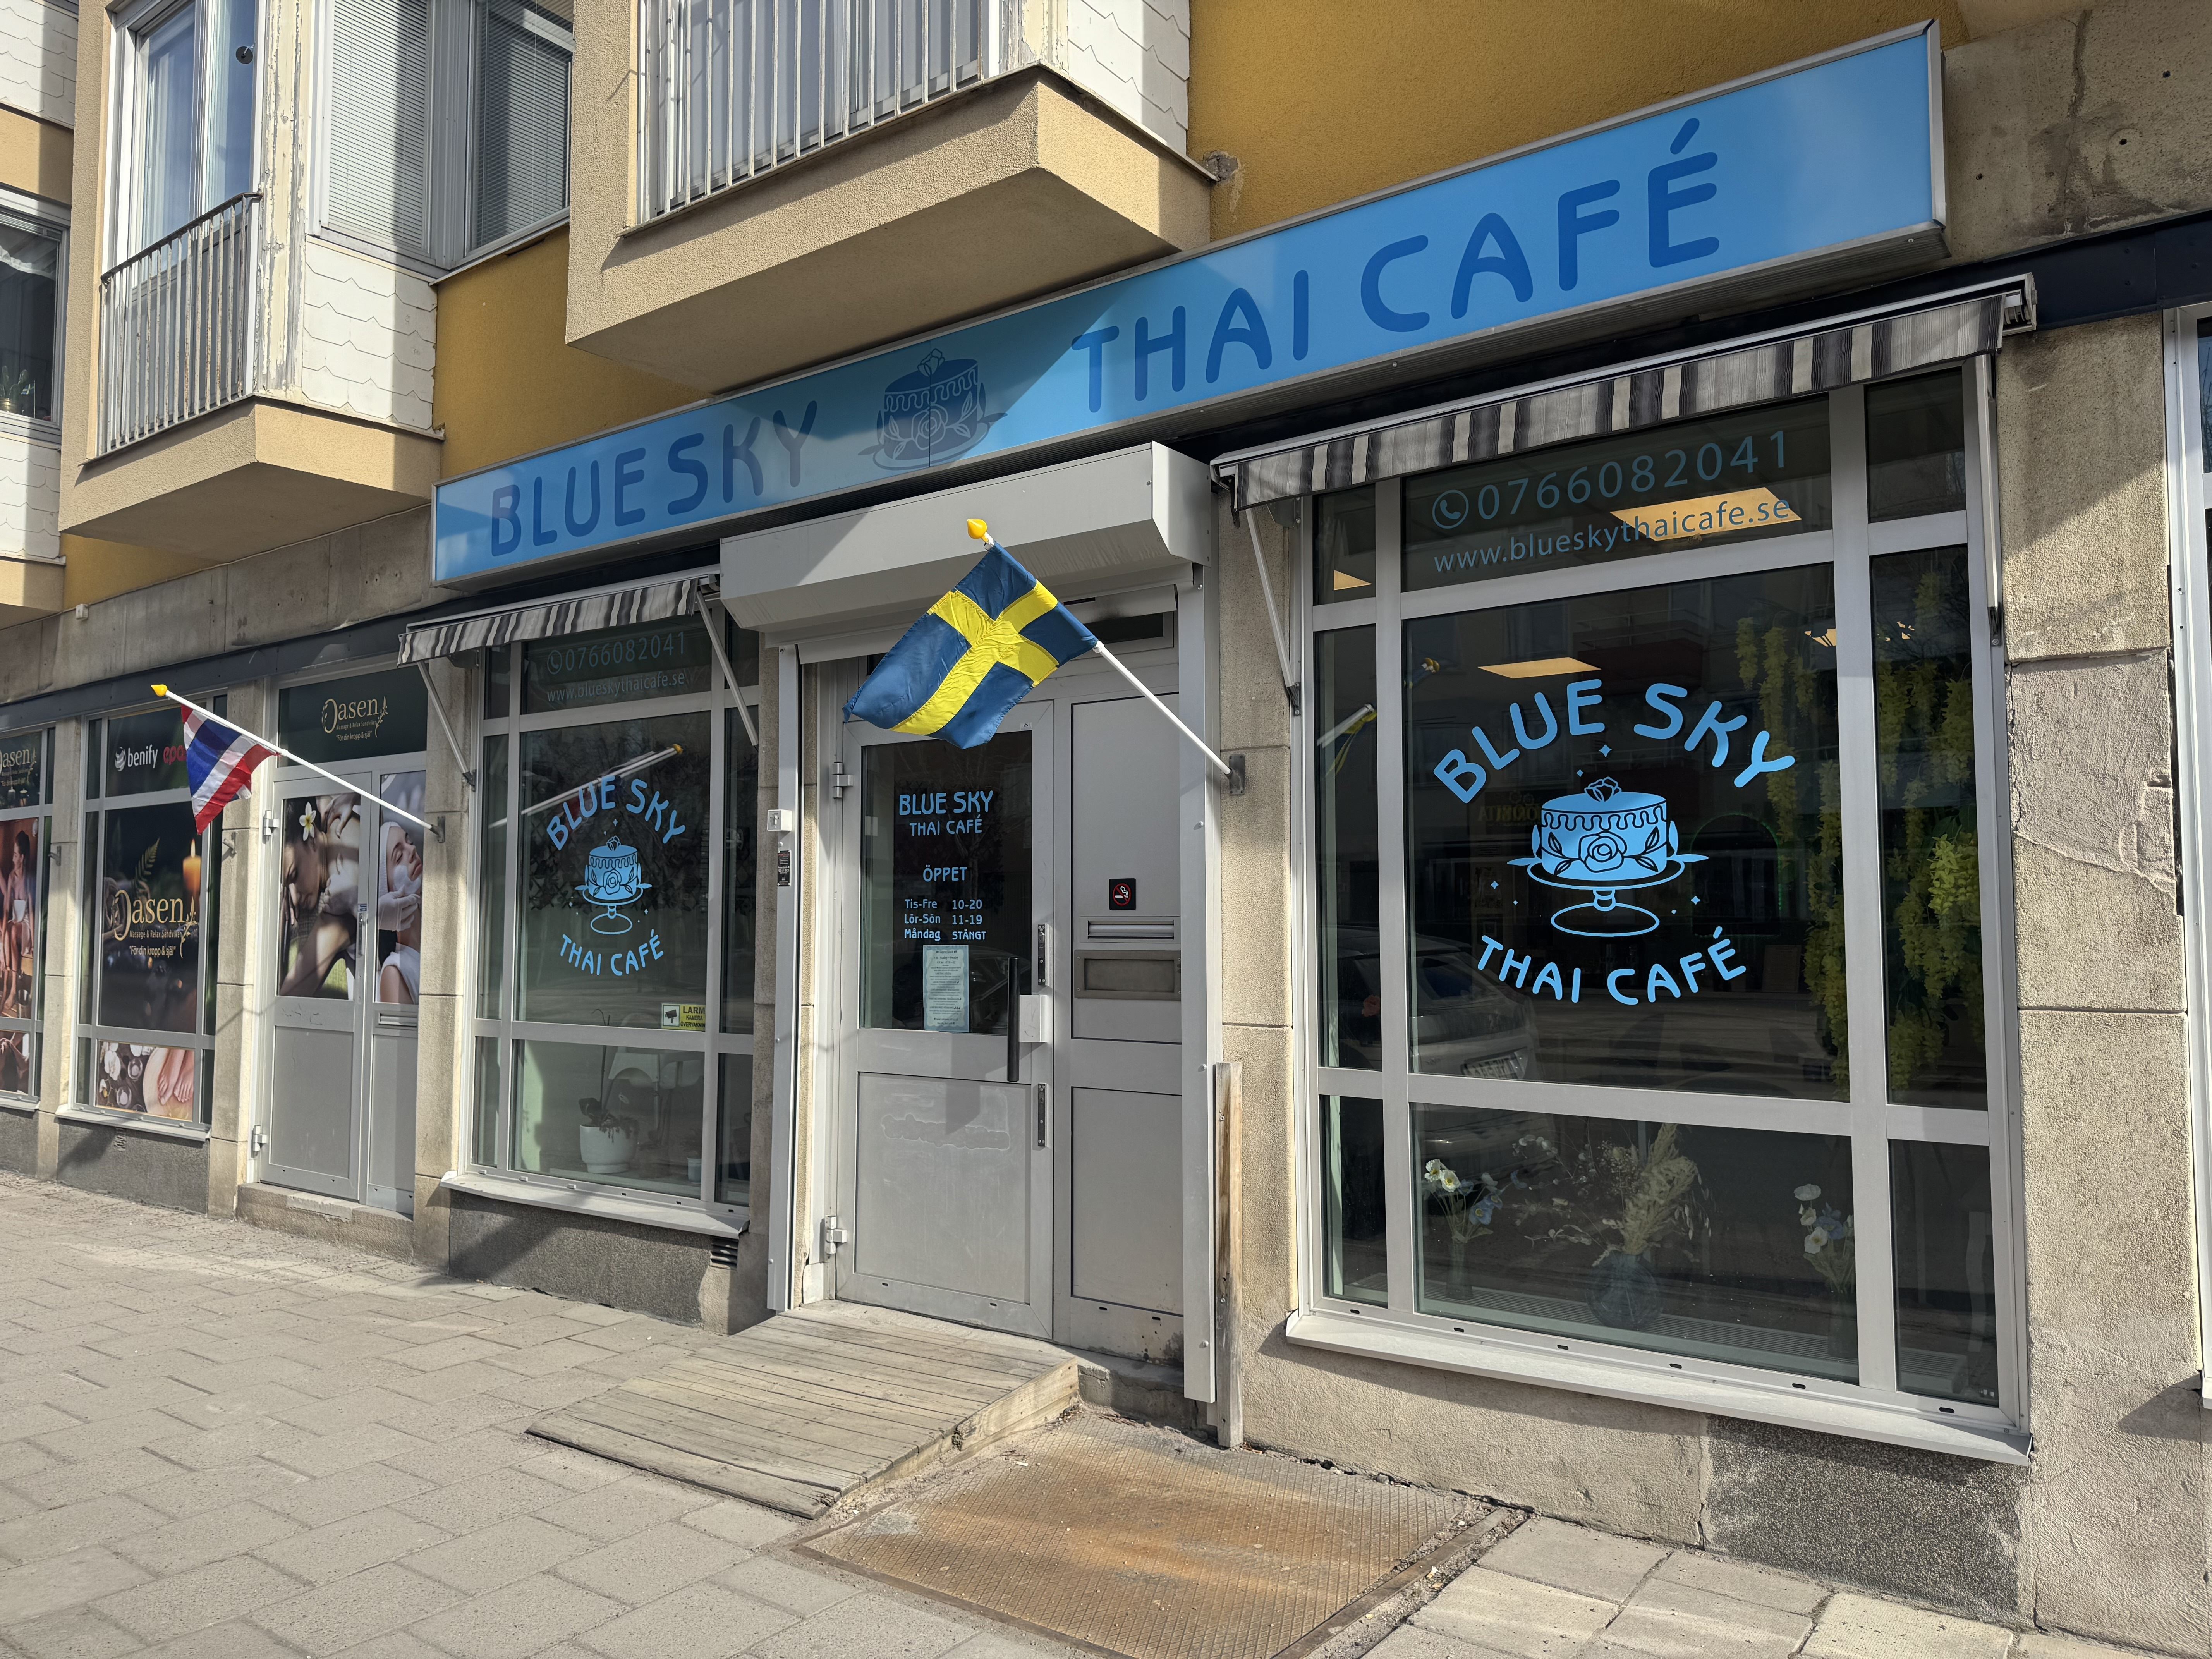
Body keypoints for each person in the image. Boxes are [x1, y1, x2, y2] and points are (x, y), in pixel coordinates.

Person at [378, 823, 422, 1004]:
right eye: (399, 856)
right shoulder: (395, 972)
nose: (412, 850)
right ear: (386, 892)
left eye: (409, 842)